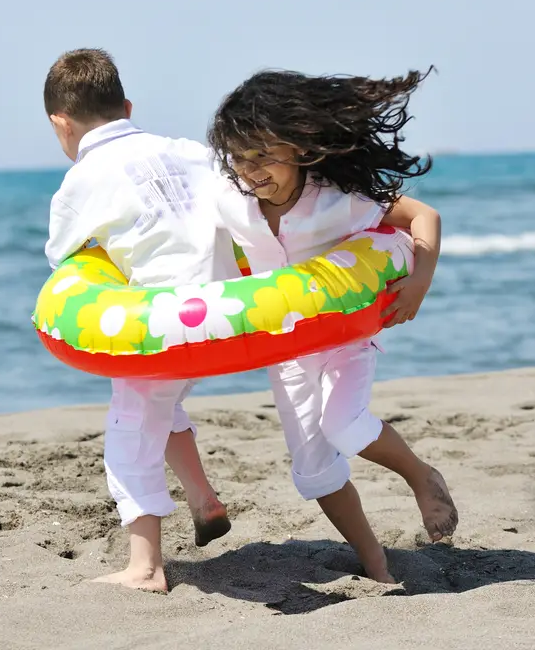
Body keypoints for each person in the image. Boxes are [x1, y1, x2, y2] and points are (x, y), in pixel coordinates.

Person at [207, 67, 458, 583]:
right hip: (287, 346)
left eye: (263, 155)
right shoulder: (231, 203)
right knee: (314, 467)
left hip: (344, 335)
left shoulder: (338, 197)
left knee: (344, 424)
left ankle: (421, 476)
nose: (250, 171)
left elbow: (422, 216)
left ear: (297, 148)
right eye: (239, 157)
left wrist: (421, 282)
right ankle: (376, 564)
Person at [43, 48, 234, 592]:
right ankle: (204, 502)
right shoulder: (187, 150)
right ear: (126, 105)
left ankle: (145, 567)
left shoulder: (82, 180)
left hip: (164, 326)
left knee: (128, 427)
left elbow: (65, 259)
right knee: (161, 404)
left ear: (61, 123)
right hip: (228, 314)